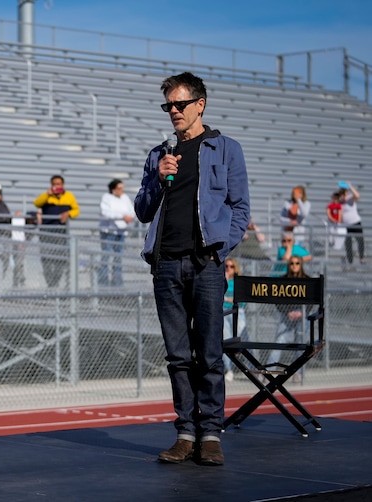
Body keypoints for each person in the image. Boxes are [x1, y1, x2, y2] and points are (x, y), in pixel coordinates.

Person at [134, 72, 250, 466]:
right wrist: (158, 179)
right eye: (168, 105)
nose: (173, 112)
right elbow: (142, 210)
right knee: (178, 356)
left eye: (180, 104)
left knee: (210, 353)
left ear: (200, 104)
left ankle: (211, 433)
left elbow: (240, 207)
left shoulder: (226, 149)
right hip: (165, 264)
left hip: (206, 265)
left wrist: (220, 249)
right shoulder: (159, 154)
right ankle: (185, 432)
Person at [266, 255, 310, 382]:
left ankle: (297, 373)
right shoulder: (283, 280)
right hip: (287, 315)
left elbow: (312, 301)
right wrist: (288, 312)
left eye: (297, 263)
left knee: (300, 343)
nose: (294, 265)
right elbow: (277, 300)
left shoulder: (307, 280)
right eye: (292, 263)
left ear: (301, 265)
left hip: (302, 316)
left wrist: (302, 313)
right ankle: (270, 371)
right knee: (279, 341)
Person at [34, 175, 80, 288]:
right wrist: (47, 195)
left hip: (61, 233)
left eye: (58, 184)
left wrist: (68, 213)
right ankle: (51, 284)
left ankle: (55, 283)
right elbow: (36, 203)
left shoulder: (69, 196)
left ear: (63, 185)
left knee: (60, 260)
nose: (56, 186)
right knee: (47, 260)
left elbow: (76, 210)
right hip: (46, 233)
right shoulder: (47, 197)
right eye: (54, 184)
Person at [98, 178, 135, 287]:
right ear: (113, 189)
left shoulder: (125, 197)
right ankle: (103, 283)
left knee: (118, 258)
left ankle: (117, 283)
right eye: (119, 188)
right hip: (109, 231)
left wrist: (128, 217)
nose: (122, 190)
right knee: (106, 257)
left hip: (121, 232)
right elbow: (105, 213)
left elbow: (131, 211)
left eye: (122, 188)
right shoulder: (106, 197)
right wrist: (122, 216)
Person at [222, 257, 246, 383]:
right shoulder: (222, 281)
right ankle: (229, 370)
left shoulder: (238, 281)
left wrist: (226, 299)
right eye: (226, 266)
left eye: (231, 267)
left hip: (238, 312)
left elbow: (240, 299)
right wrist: (224, 279)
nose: (228, 269)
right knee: (226, 341)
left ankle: (251, 369)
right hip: (224, 312)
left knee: (242, 339)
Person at [340, 183, 365, 265]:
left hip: (355, 223)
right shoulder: (340, 202)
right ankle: (350, 260)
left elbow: (357, 195)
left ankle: (362, 257)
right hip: (346, 225)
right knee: (348, 243)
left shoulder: (350, 198)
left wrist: (350, 186)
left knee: (360, 240)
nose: (343, 196)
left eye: (344, 194)